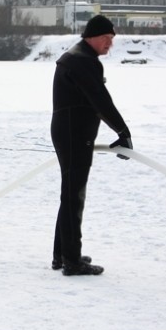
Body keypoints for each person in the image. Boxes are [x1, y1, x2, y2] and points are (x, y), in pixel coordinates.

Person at [50, 15, 132, 276]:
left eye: (112, 39)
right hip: (74, 134)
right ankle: (71, 261)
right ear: (92, 37)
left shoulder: (79, 56)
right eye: (106, 39)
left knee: (70, 195)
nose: (109, 44)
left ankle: (62, 255)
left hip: (70, 132)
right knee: (74, 197)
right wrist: (122, 131)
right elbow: (100, 101)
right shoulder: (83, 61)